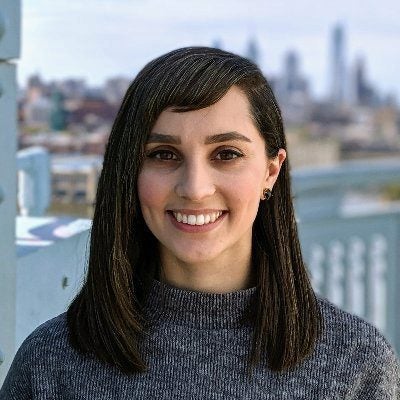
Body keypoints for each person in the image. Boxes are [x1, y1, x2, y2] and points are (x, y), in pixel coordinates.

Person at [1, 47, 399, 399]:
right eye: (163, 154)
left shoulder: (355, 364)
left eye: (226, 154)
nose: (194, 188)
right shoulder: (52, 363)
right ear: (129, 171)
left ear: (271, 171)